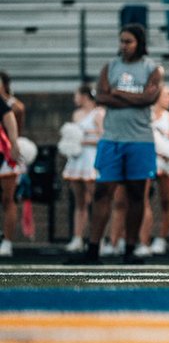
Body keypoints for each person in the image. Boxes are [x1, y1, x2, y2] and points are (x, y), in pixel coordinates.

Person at [79, 24, 163, 264]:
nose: (124, 46)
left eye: (128, 42)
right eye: (122, 41)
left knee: (137, 194)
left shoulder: (152, 68)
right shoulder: (110, 66)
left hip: (140, 140)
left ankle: (130, 248)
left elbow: (150, 98)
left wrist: (119, 94)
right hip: (112, 138)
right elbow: (101, 97)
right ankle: (93, 248)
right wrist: (129, 98)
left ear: (139, 43)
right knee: (103, 192)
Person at [136, 83, 169, 256]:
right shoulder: (144, 115)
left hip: (166, 164)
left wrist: (168, 153)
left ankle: (161, 238)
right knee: (143, 199)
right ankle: (143, 240)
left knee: (167, 201)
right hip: (147, 161)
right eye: (166, 95)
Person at [62, 82, 104, 253]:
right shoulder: (77, 114)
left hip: (91, 159)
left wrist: (84, 140)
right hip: (77, 159)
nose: (75, 98)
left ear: (85, 96)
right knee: (79, 202)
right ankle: (77, 237)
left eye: (77, 95)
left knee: (96, 200)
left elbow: (103, 137)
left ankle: (97, 239)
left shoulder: (99, 113)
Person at [0, 76, 23, 259]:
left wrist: (14, 143)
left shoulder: (10, 105)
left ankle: (7, 241)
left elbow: (9, 117)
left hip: (3, 153)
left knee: (8, 198)